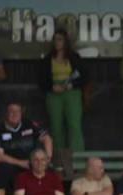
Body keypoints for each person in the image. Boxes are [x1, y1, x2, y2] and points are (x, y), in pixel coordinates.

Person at [39, 29, 86, 160]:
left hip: (71, 92)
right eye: (55, 39)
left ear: (65, 41)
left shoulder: (74, 57)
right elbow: (41, 79)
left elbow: (85, 75)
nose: (57, 42)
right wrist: (52, 87)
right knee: (56, 127)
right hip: (54, 93)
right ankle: (59, 160)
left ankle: (77, 159)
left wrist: (72, 84)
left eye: (60, 39)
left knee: (74, 125)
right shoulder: (48, 58)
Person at [0, 102, 52, 185]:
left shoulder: (29, 124)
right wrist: (21, 163)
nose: (15, 114)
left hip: (32, 161)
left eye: (17, 111)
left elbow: (47, 138)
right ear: (6, 114)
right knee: (3, 169)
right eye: (11, 111)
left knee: (48, 169)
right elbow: (0, 156)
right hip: (11, 163)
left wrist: (48, 157)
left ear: (21, 113)